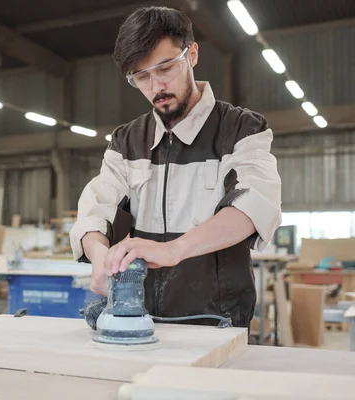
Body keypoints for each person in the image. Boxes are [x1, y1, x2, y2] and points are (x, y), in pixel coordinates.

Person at [69, 6, 282, 328]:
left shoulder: (240, 129)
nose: (156, 87)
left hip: (217, 317)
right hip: (138, 316)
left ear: (192, 55)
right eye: (141, 76)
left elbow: (255, 205)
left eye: (165, 68)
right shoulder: (126, 141)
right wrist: (99, 256)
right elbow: (96, 210)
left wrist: (176, 249)